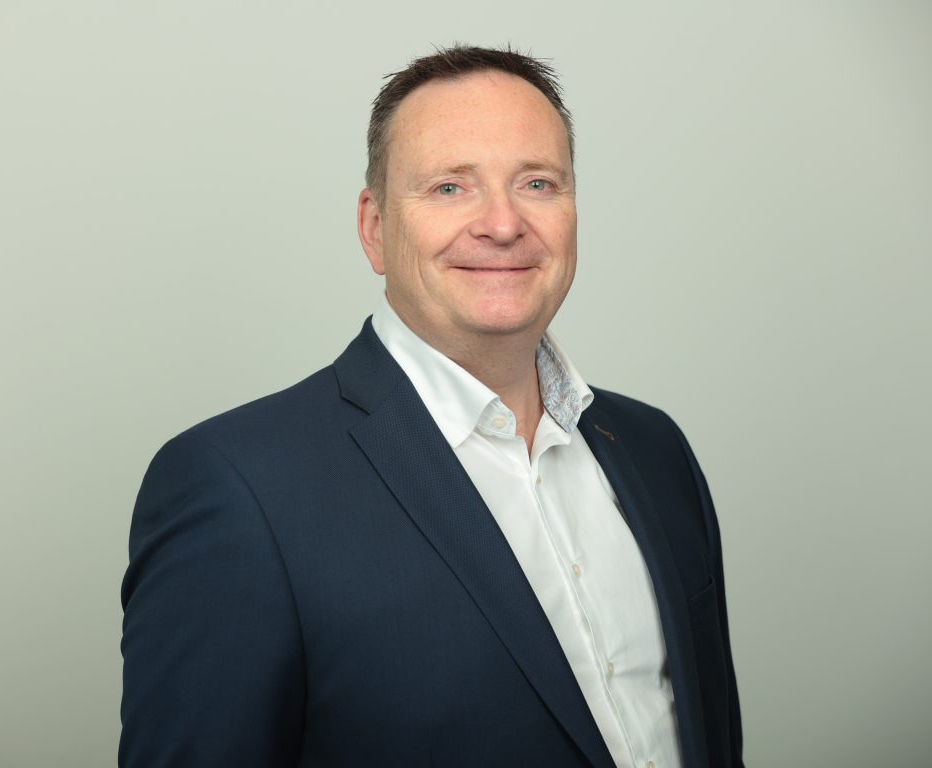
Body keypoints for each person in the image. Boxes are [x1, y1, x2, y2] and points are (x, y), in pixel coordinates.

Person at [120, 45, 743, 768]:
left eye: (538, 183)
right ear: (375, 228)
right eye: (451, 188)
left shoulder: (653, 449)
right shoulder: (239, 489)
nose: (503, 224)